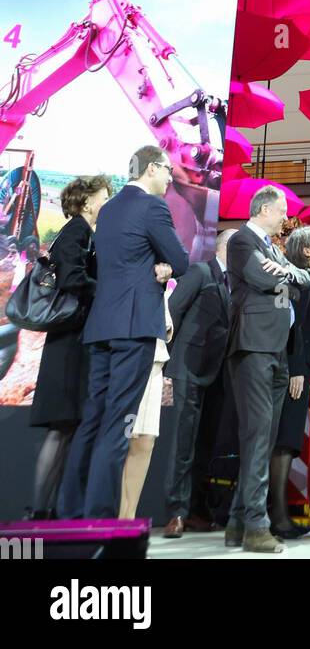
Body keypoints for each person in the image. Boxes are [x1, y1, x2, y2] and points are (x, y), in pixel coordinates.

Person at [57, 145, 189, 519]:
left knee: (93, 420)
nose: (169, 178)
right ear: (151, 168)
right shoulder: (152, 206)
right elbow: (179, 260)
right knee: (119, 424)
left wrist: (158, 266)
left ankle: (71, 511)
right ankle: (99, 516)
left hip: (101, 328)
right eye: (167, 171)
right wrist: (165, 269)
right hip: (134, 329)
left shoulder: (109, 209)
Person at [28, 175, 112, 517]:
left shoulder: (82, 232)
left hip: (72, 342)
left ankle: (49, 510)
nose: (108, 204)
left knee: (66, 429)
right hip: (68, 345)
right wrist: (107, 288)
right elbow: (72, 279)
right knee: (61, 428)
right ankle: (39, 511)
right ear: (89, 201)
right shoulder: (77, 231)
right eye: (105, 197)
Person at [224, 187, 298, 555]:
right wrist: (284, 276)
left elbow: (294, 287)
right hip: (253, 347)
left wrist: (284, 272)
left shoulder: (270, 248)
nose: (285, 217)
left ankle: (239, 521)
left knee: (263, 440)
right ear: (265, 209)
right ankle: (255, 525)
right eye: (282, 211)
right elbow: (265, 281)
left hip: (274, 349)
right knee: (256, 438)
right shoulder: (241, 241)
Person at [162, 229, 235, 538]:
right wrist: (170, 360)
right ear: (225, 248)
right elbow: (174, 310)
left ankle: (196, 509)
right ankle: (175, 511)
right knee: (183, 441)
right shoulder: (200, 271)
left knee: (206, 444)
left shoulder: (240, 283)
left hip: (218, 372)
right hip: (188, 367)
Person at [267, 224, 310, 540]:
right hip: (294, 370)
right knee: (284, 442)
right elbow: (290, 327)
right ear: (306, 249)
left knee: (287, 443)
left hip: (303, 369)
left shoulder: (308, 280)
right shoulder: (294, 279)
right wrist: (296, 369)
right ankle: (277, 517)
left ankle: (278, 514)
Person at [118, 286, 173, 518]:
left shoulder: (159, 273)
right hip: (126, 356)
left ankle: (128, 519)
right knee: (123, 441)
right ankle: (115, 519)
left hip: (153, 361)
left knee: (145, 441)